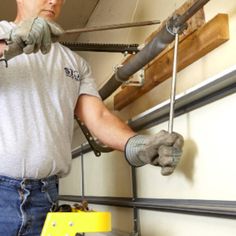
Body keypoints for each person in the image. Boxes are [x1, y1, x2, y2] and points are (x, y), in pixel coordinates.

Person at [0, 0, 184, 235]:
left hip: (44, 198)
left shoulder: (74, 63)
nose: (54, 1)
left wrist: (139, 145)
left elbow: (98, 117)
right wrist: (10, 44)